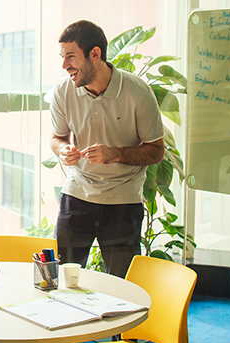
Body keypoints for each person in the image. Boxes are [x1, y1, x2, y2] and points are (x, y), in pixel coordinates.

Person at [49, 20, 165, 278]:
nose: (65, 65)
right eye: (62, 57)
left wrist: (116, 154)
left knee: (122, 285)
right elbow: (57, 137)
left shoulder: (138, 93)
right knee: (62, 280)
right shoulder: (62, 91)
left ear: (95, 54)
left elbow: (156, 151)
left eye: (71, 57)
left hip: (123, 200)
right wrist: (63, 149)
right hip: (77, 193)